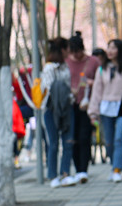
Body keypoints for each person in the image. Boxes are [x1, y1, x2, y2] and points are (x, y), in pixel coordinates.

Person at [88, 38, 122, 182]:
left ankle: (117, 169)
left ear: (120, 50)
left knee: (118, 138)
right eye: (108, 48)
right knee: (108, 141)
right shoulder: (102, 69)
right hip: (106, 108)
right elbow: (97, 91)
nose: (110, 51)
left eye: (113, 48)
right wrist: (93, 112)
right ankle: (113, 165)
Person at [65, 31, 99, 185]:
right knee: (73, 138)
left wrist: (93, 83)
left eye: (78, 52)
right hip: (70, 105)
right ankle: (78, 168)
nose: (76, 55)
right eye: (73, 52)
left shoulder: (93, 61)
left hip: (87, 105)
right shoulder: (66, 62)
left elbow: (101, 80)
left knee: (84, 137)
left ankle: (83, 170)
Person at [41, 37, 74, 188]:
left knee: (67, 141)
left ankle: (65, 173)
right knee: (53, 143)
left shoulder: (65, 67)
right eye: (67, 48)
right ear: (62, 50)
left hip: (67, 108)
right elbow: (48, 89)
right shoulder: (49, 68)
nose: (69, 52)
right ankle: (53, 176)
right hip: (52, 110)